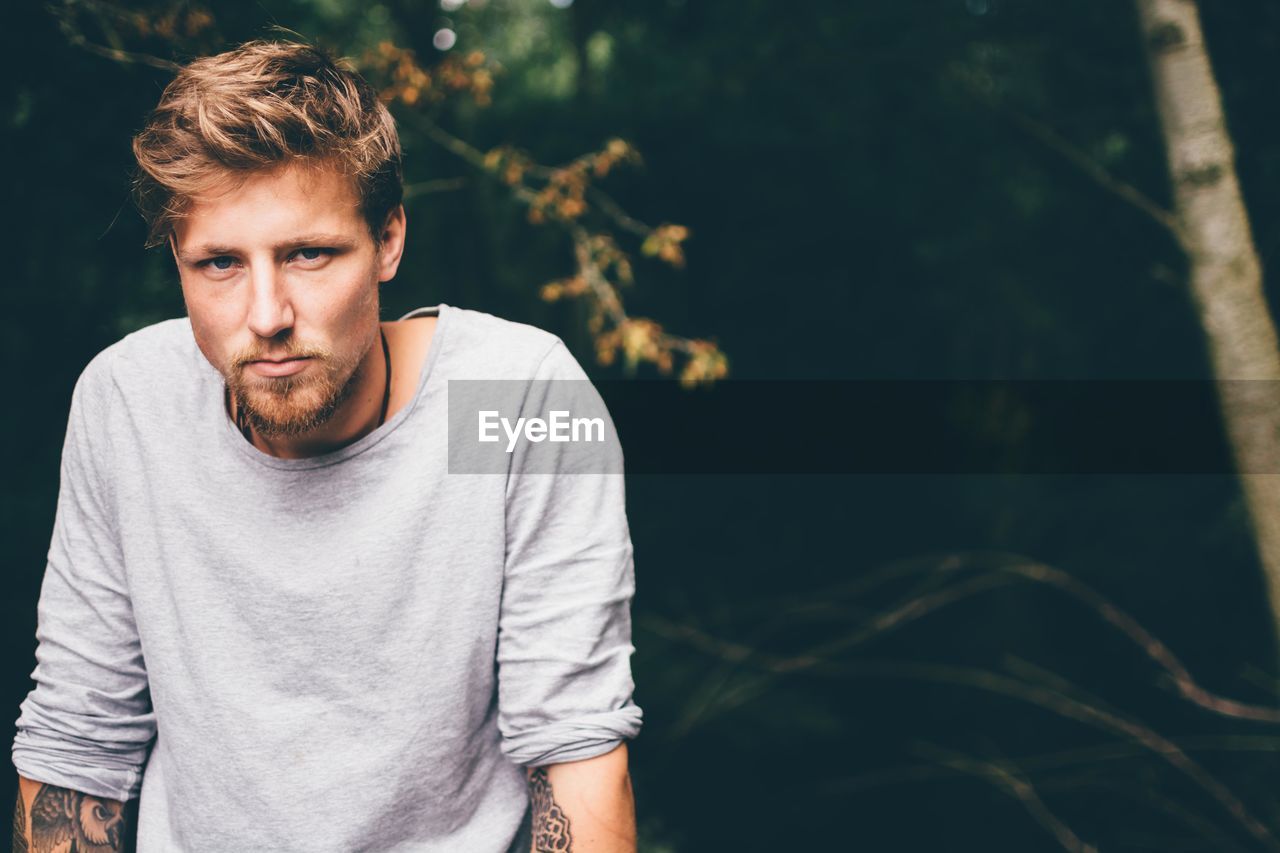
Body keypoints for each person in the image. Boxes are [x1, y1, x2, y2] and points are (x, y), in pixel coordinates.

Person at [10, 39, 642, 852]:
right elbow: (76, 746)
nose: (267, 312)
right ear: (177, 260)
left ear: (388, 242)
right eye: (220, 264)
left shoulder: (520, 395)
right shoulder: (128, 402)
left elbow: (577, 753)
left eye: (308, 253)